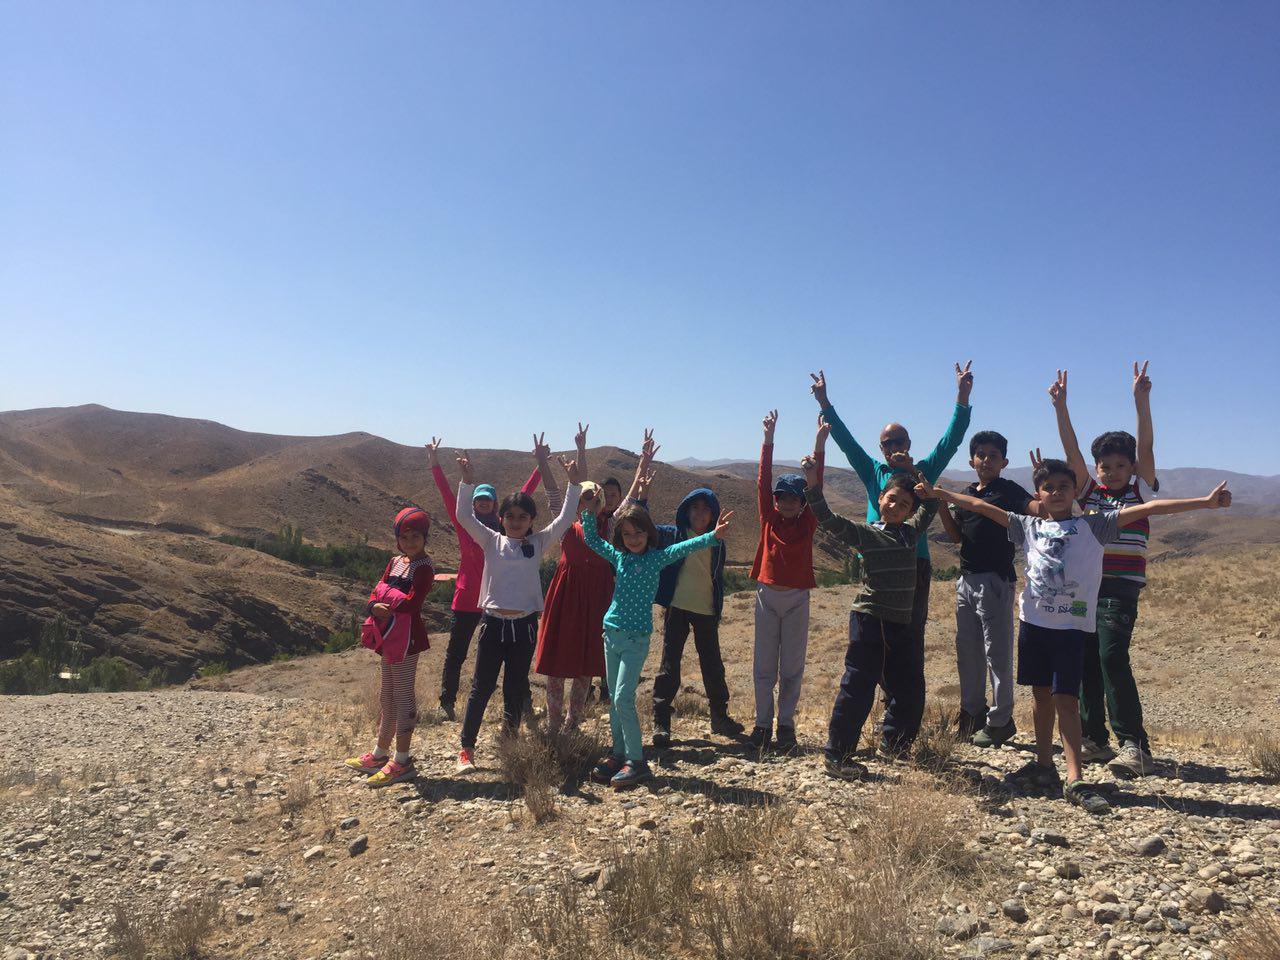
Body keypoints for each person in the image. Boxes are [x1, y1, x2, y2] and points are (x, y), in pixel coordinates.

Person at [917, 460, 1231, 813]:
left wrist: (1205, 502)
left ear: (1075, 492)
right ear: (1038, 494)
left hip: (1070, 629)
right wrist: (942, 495)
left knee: (1066, 700)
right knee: (1040, 698)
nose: (1056, 493)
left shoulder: (1095, 526)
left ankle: (1075, 777)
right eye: (1048, 487)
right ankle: (1043, 765)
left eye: (1063, 487)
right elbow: (979, 506)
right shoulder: (1027, 526)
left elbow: (1150, 508)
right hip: (1034, 625)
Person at [809, 364, 973, 658]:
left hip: (914, 564)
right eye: (888, 443)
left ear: (909, 443)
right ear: (881, 448)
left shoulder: (925, 470)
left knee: (910, 635)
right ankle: (882, 685)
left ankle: (907, 686)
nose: (894, 447)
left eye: (899, 441)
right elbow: (847, 443)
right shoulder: (874, 472)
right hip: (875, 561)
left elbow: (951, 441)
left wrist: (962, 397)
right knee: (874, 635)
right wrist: (824, 402)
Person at [1050, 364, 1164, 778]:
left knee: (1112, 656)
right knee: (1086, 660)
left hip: (1121, 588)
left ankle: (1135, 745)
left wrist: (1141, 402)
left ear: (1131, 467)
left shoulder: (1140, 490)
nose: (1111, 470)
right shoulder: (1089, 494)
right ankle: (1094, 738)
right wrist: (1061, 407)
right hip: (1087, 588)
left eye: (1119, 464)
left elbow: (1146, 446)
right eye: (1105, 465)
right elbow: (1072, 452)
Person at [802, 450, 938, 779]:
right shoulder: (866, 533)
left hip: (900, 624)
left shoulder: (910, 532)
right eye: (892, 499)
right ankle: (837, 755)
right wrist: (812, 483)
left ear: (910, 511)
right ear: (880, 498)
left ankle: (894, 745)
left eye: (904, 504)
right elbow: (828, 519)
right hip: (870, 621)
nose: (896, 507)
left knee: (907, 688)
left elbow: (931, 506)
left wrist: (919, 480)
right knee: (859, 687)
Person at [583, 499, 734, 787]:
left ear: (648, 533)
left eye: (639, 532)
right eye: (627, 534)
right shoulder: (619, 557)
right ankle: (618, 754)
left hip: (635, 639)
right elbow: (591, 540)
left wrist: (713, 536)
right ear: (620, 536)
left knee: (623, 697)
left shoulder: (655, 559)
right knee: (614, 700)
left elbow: (684, 547)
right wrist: (589, 511)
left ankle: (637, 762)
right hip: (611, 634)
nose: (633, 539)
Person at [452, 447, 583, 773]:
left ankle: (509, 743)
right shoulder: (490, 540)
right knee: (481, 687)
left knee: (514, 688)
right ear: (501, 518)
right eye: (510, 516)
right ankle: (466, 748)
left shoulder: (538, 543)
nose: (515, 522)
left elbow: (566, 518)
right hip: (493, 625)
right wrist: (466, 482)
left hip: (524, 628)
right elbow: (464, 516)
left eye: (523, 517)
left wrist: (573, 484)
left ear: (531, 520)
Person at [534, 425, 657, 734]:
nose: (588, 504)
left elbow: (631, 495)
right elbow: (554, 491)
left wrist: (643, 461)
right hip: (566, 597)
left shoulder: (611, 525)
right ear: (575, 503)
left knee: (585, 666)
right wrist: (543, 462)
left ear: (601, 503)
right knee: (557, 664)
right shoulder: (565, 523)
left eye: (594, 499)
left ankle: (573, 723)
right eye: (582, 499)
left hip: (598, 599)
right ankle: (553, 723)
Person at [428, 437, 547, 721]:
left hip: (499, 602)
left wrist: (540, 466)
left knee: (515, 658)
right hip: (467, 598)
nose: (482, 503)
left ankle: (523, 704)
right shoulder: (466, 526)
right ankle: (447, 702)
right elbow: (447, 494)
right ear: (472, 502)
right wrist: (434, 463)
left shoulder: (506, 531)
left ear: (495, 504)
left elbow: (524, 496)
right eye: (478, 499)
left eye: (487, 499)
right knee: (456, 653)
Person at [934, 430, 1033, 747]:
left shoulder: (1009, 491)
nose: (987, 460)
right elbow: (957, 537)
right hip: (966, 579)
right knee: (968, 652)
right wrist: (941, 506)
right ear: (971, 461)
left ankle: (1001, 720)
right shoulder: (965, 493)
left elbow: (1035, 508)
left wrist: (1045, 484)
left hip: (996, 579)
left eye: (993, 456)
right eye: (981, 455)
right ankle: (972, 714)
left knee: (997, 653)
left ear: (1004, 462)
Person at [747, 410, 824, 753]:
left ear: (803, 502)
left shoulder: (808, 522)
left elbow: (818, 486)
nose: (787, 503)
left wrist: (819, 446)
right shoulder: (768, 517)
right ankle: (763, 725)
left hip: (796, 600)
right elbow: (762, 481)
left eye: (794, 498)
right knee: (764, 666)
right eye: (782, 498)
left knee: (792, 667)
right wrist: (768, 439)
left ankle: (787, 725)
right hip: (766, 596)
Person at [344, 506, 435, 787]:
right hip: (390, 636)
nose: (410, 542)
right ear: (397, 539)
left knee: (403, 696)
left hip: (407, 639)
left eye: (415, 536)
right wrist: (374, 603)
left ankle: (402, 760)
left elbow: (412, 603)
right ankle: (380, 753)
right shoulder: (395, 561)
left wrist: (385, 596)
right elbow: (377, 590)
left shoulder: (424, 567)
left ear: (425, 537)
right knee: (387, 695)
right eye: (404, 537)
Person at [651, 482, 744, 747]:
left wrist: (717, 608)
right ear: (686, 511)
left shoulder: (718, 541)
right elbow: (646, 528)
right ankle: (661, 722)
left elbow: (715, 577)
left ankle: (719, 717)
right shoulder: (674, 535)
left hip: (705, 609)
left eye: (705, 509)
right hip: (677, 607)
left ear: (712, 514)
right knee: (669, 665)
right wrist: (642, 497)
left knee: (713, 665)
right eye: (695, 507)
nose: (700, 513)